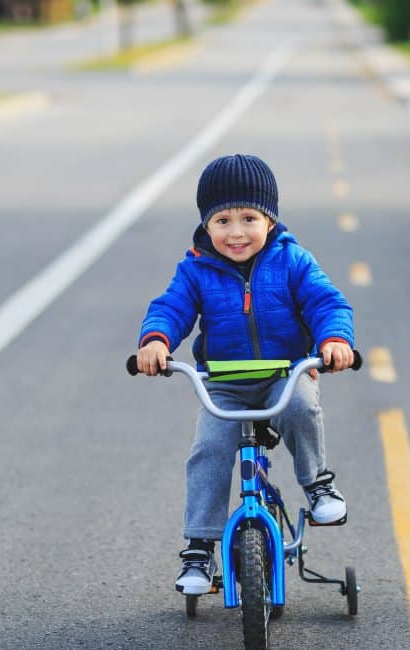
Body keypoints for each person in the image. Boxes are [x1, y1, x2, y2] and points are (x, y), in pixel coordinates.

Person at [135, 154, 356, 595]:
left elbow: (327, 303)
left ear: (270, 220)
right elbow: (171, 307)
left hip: (284, 375)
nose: (236, 232)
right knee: (208, 451)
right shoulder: (196, 268)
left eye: (249, 218)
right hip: (224, 385)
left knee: (301, 406)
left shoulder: (292, 261)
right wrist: (156, 341)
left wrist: (334, 340)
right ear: (206, 224)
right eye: (222, 220)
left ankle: (317, 485)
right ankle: (199, 549)